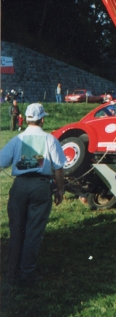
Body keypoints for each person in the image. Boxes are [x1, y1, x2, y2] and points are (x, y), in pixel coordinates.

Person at [0, 103, 66, 284]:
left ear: (27, 119)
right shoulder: (50, 139)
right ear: (42, 120)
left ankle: (12, 271)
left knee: (16, 229)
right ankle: (27, 272)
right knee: (33, 230)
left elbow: (2, 161)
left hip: (20, 185)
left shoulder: (17, 139)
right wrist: (60, 189)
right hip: (40, 186)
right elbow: (59, 168)